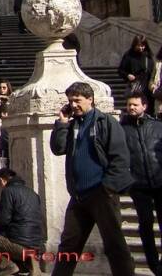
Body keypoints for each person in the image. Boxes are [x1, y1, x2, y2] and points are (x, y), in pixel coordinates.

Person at [49, 82, 134, 276]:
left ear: (90, 99)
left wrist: (107, 188)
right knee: (68, 245)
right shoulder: (72, 124)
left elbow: (120, 158)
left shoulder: (105, 122)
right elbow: (58, 148)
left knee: (115, 245)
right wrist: (61, 123)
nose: (73, 105)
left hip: (101, 193)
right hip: (79, 195)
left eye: (77, 100)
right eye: (70, 101)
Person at [0, 168, 45, 276]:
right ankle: (32, 264)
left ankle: (6, 265)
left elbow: (2, 220)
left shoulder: (8, 191)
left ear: (2, 180)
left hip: (19, 244)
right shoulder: (33, 193)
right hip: (37, 244)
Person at [121, 94, 162, 275]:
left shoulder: (158, 127)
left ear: (144, 106)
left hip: (160, 182)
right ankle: (153, 264)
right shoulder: (121, 129)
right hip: (138, 185)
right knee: (145, 225)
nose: (132, 108)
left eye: (135, 105)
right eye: (129, 105)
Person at [119, 35, 155, 102]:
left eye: (143, 46)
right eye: (139, 46)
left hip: (147, 87)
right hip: (135, 85)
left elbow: (152, 71)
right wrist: (127, 75)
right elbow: (121, 70)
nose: (141, 48)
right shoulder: (129, 55)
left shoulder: (148, 56)